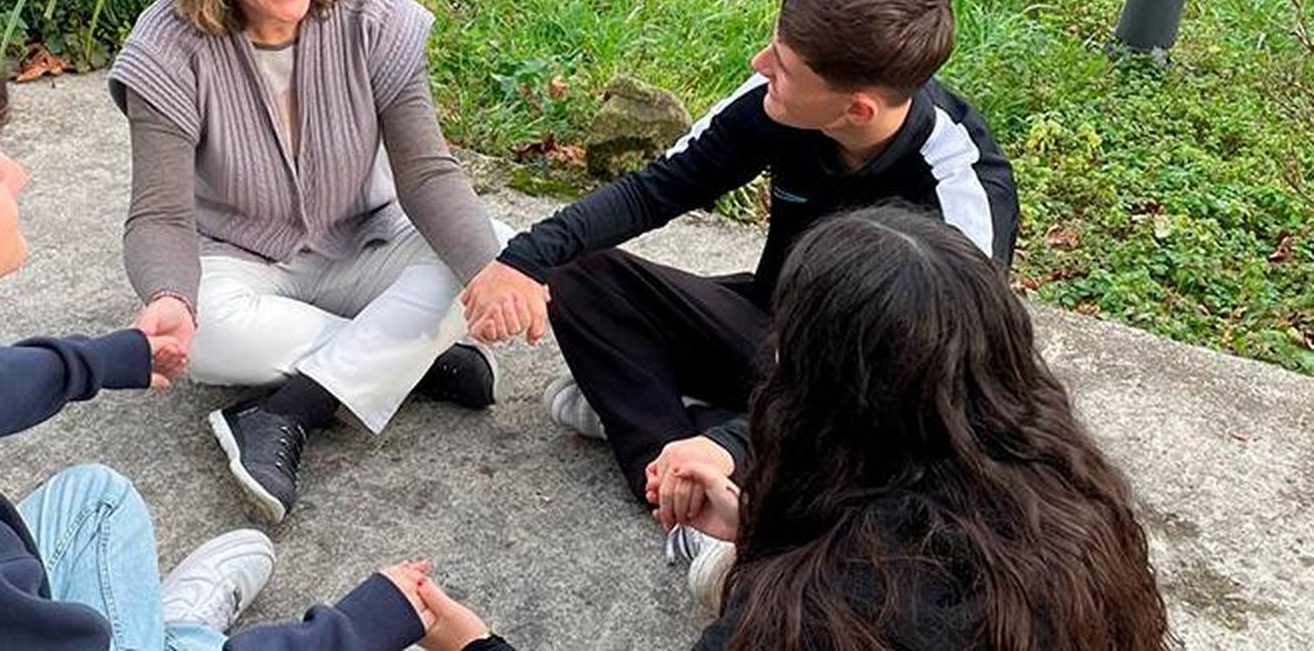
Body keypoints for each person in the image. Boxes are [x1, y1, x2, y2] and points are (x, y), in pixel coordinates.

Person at [0, 45, 453, 649]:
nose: (18, 175)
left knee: (97, 498)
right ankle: (179, 635)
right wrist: (360, 627)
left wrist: (113, 358)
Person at [426, 206, 1174, 650]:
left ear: (817, 395)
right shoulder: (1074, 498)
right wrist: (754, 524)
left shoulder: (810, 616)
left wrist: (471, 643)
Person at [460, 0, 1020, 524]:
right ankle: (686, 481)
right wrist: (524, 259)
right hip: (770, 332)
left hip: (865, 384)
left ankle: (689, 448)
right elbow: (656, 189)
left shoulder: (961, 191)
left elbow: (929, 376)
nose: (759, 64)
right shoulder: (776, 103)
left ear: (856, 110)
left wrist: (734, 442)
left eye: (783, 64)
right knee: (580, 277)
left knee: (907, 463)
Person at [110, 0, 508, 524]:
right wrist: (169, 297)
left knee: (493, 246)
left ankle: (285, 410)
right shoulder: (164, 48)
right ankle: (405, 361)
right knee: (206, 338)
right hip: (239, 261)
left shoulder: (376, 12)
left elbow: (426, 173)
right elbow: (159, 218)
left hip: (367, 242)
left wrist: (493, 271)